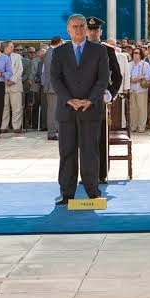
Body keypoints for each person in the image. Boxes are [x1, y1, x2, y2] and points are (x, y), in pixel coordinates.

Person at [51, 14, 110, 205]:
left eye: (82, 26)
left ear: (87, 29)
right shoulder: (59, 52)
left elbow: (102, 79)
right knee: (67, 152)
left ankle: (93, 192)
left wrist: (90, 100)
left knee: (90, 152)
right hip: (67, 110)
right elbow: (56, 79)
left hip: (90, 110)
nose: (78, 30)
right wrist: (69, 100)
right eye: (74, 26)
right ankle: (67, 193)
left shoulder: (99, 51)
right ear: (68, 30)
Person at [86, 17, 123, 184]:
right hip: (82, 99)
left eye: (96, 29)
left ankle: (101, 174)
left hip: (100, 99)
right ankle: (86, 174)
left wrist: (110, 93)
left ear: (100, 32)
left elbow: (117, 76)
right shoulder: (79, 49)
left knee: (100, 138)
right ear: (86, 31)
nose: (93, 32)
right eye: (90, 29)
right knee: (84, 138)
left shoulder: (108, 50)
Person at [0, 41, 24, 134]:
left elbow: (20, 70)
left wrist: (12, 80)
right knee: (3, 106)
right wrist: (5, 80)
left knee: (17, 107)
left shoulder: (17, 57)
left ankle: (16, 127)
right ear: (5, 47)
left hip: (15, 84)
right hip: (3, 84)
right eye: (11, 46)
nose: (13, 48)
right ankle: (3, 126)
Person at [42, 36, 62, 140]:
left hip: (54, 86)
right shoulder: (51, 53)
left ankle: (56, 130)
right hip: (52, 86)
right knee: (52, 110)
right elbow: (53, 71)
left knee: (55, 110)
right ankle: (51, 133)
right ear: (59, 42)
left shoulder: (52, 52)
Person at [128, 47, 150, 132]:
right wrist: (131, 79)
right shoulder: (129, 64)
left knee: (142, 108)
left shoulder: (145, 64)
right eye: (134, 52)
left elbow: (149, 76)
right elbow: (126, 75)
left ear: (141, 54)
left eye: (137, 53)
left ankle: (141, 127)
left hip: (141, 89)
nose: (135, 54)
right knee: (133, 108)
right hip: (132, 89)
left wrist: (140, 77)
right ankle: (133, 126)